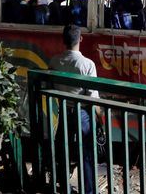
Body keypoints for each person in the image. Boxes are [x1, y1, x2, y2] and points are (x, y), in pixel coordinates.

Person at [49, 25, 98, 194]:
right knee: (85, 153)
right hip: (82, 113)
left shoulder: (54, 61)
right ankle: (88, 190)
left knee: (63, 149)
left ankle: (64, 187)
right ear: (81, 39)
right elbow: (93, 97)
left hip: (63, 109)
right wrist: (100, 119)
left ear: (63, 40)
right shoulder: (87, 65)